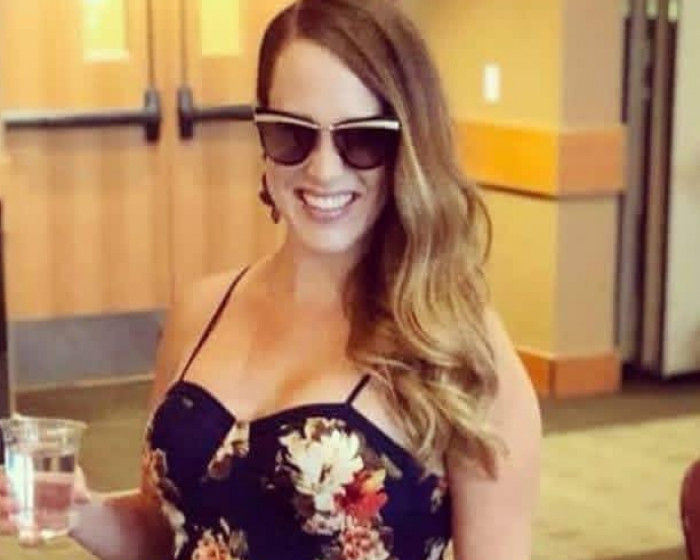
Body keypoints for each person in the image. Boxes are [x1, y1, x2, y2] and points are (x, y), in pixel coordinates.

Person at [0, 0, 541, 558]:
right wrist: (82, 513)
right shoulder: (202, 310)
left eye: (362, 140)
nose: (323, 169)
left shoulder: (455, 345)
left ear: (407, 147)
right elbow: (170, 531)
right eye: (291, 134)